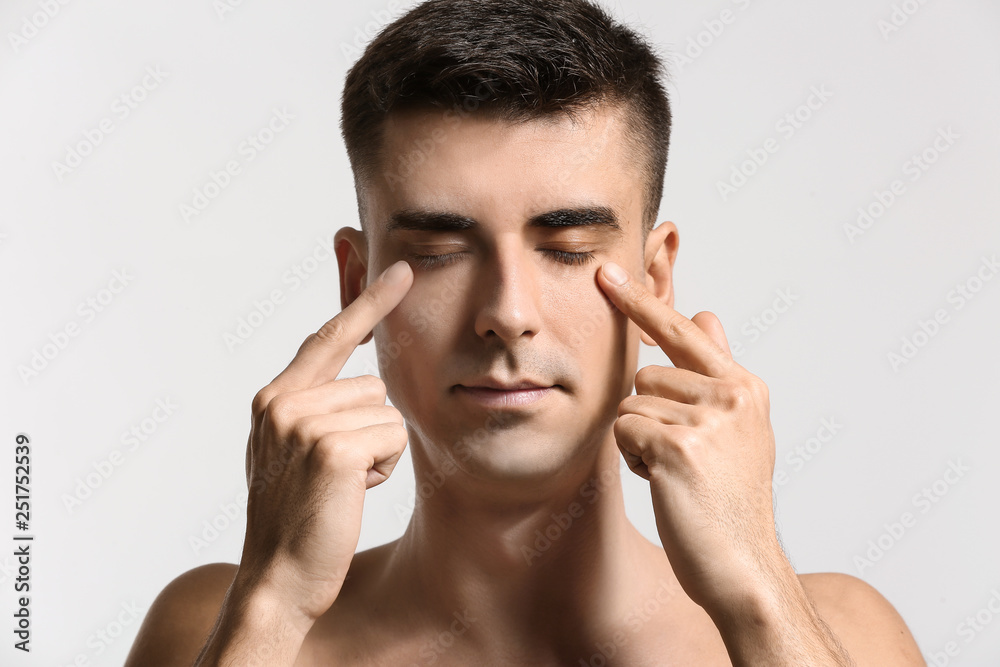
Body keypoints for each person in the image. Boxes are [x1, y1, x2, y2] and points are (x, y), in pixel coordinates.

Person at [125, 0, 924, 664]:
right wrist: (271, 607)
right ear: (355, 283)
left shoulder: (840, 632)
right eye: (439, 252)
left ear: (657, 280)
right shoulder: (214, 624)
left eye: (568, 249)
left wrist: (757, 594)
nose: (508, 310)